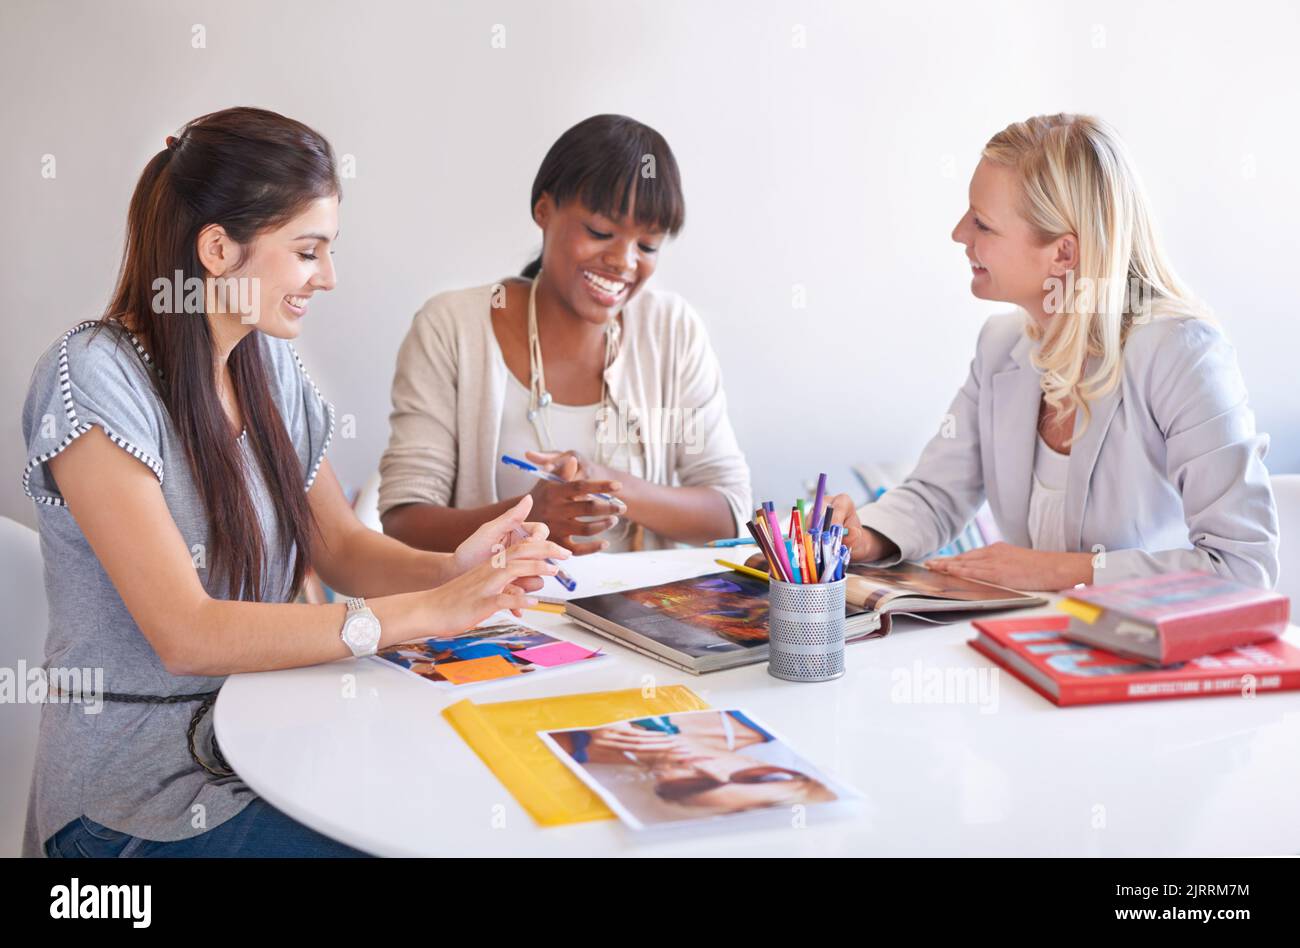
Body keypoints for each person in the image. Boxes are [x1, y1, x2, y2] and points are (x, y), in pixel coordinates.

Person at [21, 107, 567, 858]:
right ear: (218, 249)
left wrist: (458, 572)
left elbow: (340, 548)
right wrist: (422, 612)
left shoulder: (267, 365)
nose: (329, 278)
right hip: (130, 807)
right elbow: (185, 633)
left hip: (266, 747)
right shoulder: (92, 378)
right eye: (307, 252)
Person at [827, 114, 1278, 591]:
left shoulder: (1181, 354)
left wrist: (1058, 572)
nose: (959, 233)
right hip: (1039, 638)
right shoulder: (1002, 347)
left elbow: (1242, 567)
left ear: (1063, 254)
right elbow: (937, 494)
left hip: (1145, 648)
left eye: (982, 222)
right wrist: (867, 536)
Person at [377, 114, 752, 555]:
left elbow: (730, 514)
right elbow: (403, 522)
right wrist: (524, 517)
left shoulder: (673, 330)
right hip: (499, 617)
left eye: (647, 245)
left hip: (636, 619)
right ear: (543, 210)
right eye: (600, 232)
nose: (624, 261)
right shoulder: (452, 328)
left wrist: (611, 487)